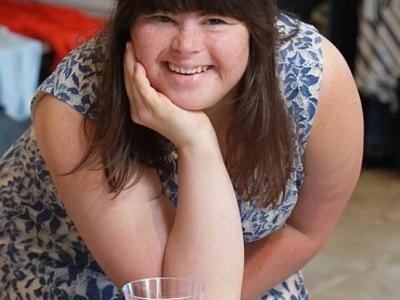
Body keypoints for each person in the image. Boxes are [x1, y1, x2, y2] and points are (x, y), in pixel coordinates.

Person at [0, 0, 363, 299]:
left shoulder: (311, 75)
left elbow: (304, 229)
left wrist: (230, 292)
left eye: (215, 20)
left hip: (240, 273)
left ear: (256, 28)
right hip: (68, 274)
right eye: (162, 17)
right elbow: (174, 294)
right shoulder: (77, 102)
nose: (186, 46)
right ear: (129, 26)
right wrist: (197, 142)